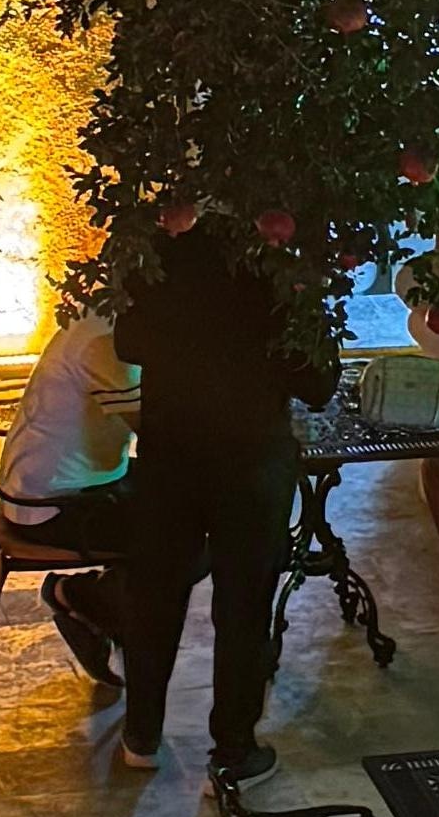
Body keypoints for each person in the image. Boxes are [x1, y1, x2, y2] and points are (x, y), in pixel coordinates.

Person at [107, 223, 314, 774]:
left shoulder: (166, 249)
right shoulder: (281, 267)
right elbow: (315, 382)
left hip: (170, 452)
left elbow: (128, 341)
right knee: (243, 606)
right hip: (251, 460)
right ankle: (233, 750)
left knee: (156, 594)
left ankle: (141, 736)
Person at [0, 305, 139, 694]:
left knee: (180, 516)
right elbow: (156, 429)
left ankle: (107, 606)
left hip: (51, 483)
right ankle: (79, 594)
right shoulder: (105, 341)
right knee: (182, 539)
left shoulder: (98, 316)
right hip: (52, 503)